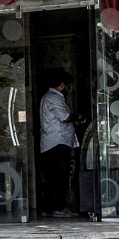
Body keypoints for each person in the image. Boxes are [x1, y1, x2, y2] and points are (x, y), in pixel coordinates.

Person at [39, 69, 80, 219]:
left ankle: (49, 208)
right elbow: (64, 117)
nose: (68, 89)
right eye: (67, 86)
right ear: (62, 85)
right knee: (58, 177)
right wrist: (77, 117)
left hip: (53, 143)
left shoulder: (49, 97)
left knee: (52, 178)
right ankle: (58, 207)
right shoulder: (53, 98)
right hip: (57, 143)